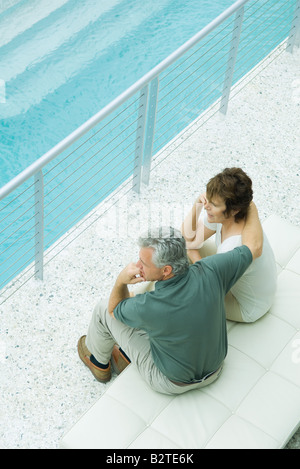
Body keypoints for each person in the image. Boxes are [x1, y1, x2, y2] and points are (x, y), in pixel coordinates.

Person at [78, 205, 262, 395]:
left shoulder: (150, 305)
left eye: (143, 263)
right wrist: (250, 206)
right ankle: (124, 355)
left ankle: (98, 364)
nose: (137, 265)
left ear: (166, 270)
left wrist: (121, 281)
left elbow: (112, 310)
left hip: (172, 381)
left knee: (102, 309)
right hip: (215, 369)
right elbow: (254, 248)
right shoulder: (212, 268)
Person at [181, 167, 277, 323]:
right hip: (258, 288)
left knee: (187, 290)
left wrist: (192, 253)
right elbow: (187, 237)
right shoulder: (224, 217)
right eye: (208, 199)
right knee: (183, 248)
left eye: (214, 204)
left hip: (248, 307)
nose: (207, 206)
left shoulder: (234, 247)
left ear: (234, 210)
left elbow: (209, 285)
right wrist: (196, 205)